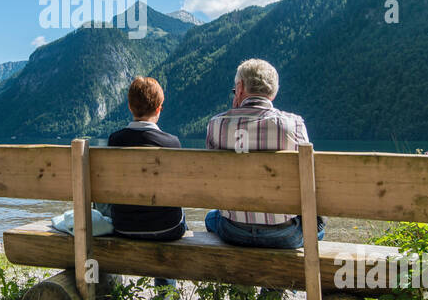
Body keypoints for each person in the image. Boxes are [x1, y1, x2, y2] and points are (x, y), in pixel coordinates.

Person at [204, 58, 326, 248]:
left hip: (233, 230)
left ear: (240, 87)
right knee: (318, 227)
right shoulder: (294, 125)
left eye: (235, 90)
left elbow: (212, 176)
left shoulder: (217, 125)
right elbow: (311, 179)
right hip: (285, 234)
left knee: (211, 217)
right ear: (273, 91)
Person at [103, 76, 188, 241]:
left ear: (129, 107)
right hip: (167, 227)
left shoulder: (115, 140)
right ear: (158, 109)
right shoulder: (172, 143)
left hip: (123, 226)